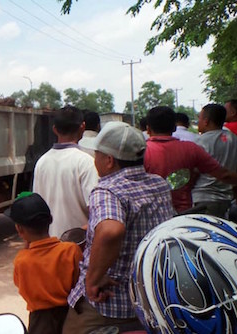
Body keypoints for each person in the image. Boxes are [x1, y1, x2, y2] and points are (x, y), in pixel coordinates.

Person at [64, 121, 176, 333]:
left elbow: (111, 231)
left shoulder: (107, 190)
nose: (93, 158)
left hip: (109, 304)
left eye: (96, 153)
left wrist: (93, 279)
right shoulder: (159, 184)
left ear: (109, 160)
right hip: (151, 297)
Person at [144, 106, 237, 213]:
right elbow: (224, 174)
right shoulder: (191, 149)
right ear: (174, 128)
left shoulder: (141, 152)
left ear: (148, 129)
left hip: (150, 212)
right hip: (184, 213)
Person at [6, 192, 82, 334]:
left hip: (40, 322)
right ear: (50, 220)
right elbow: (79, 280)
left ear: (19, 229)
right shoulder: (70, 250)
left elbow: (22, 288)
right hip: (71, 315)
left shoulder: (22, 260)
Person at [33, 105, 98, 237]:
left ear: (54, 130)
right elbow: (97, 210)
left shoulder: (42, 162)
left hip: (50, 244)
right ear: (83, 127)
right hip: (77, 245)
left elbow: (36, 206)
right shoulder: (86, 162)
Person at [192, 104, 237, 217]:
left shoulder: (200, 142)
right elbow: (236, 169)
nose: (198, 122)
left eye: (199, 118)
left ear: (206, 121)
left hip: (203, 198)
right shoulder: (235, 140)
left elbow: (194, 172)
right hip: (227, 199)